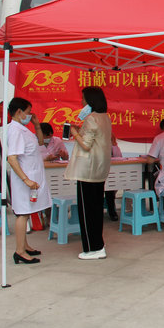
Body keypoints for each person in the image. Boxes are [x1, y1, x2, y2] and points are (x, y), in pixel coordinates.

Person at [64, 87, 112, 260]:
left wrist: (74, 132)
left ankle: (93, 248)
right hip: (100, 169)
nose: (82, 102)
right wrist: (80, 130)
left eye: (84, 99)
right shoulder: (105, 117)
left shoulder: (91, 118)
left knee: (87, 211)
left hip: (88, 171)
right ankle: (98, 244)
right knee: (96, 209)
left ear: (91, 100)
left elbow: (85, 145)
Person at [5, 97, 51, 264]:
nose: (30, 115)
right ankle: (19, 251)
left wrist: (37, 125)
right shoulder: (15, 130)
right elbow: (12, 158)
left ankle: (25, 246)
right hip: (24, 179)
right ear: (19, 112)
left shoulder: (23, 129)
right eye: (28, 112)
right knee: (22, 214)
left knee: (26, 212)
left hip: (32, 177)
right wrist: (26, 180)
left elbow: (40, 142)